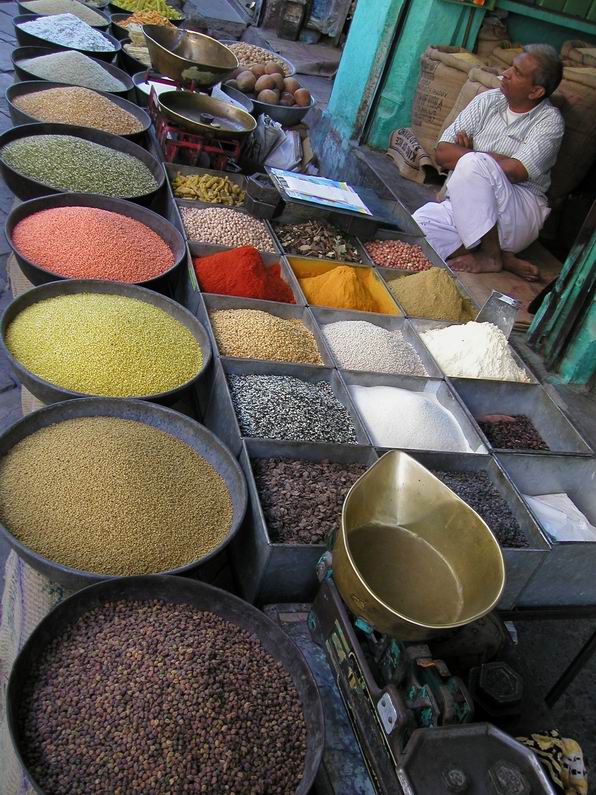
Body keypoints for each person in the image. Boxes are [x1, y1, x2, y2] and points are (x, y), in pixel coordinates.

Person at [413, 43, 565, 281]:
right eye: (510, 67)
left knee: (473, 164)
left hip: (516, 211)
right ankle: (503, 258)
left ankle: (490, 255)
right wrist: (482, 159)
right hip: (468, 205)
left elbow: (515, 171)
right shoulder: (488, 101)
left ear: (535, 92)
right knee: (418, 228)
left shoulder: (549, 122)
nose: (506, 73)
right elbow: (442, 153)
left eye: (517, 73)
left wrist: (472, 154)